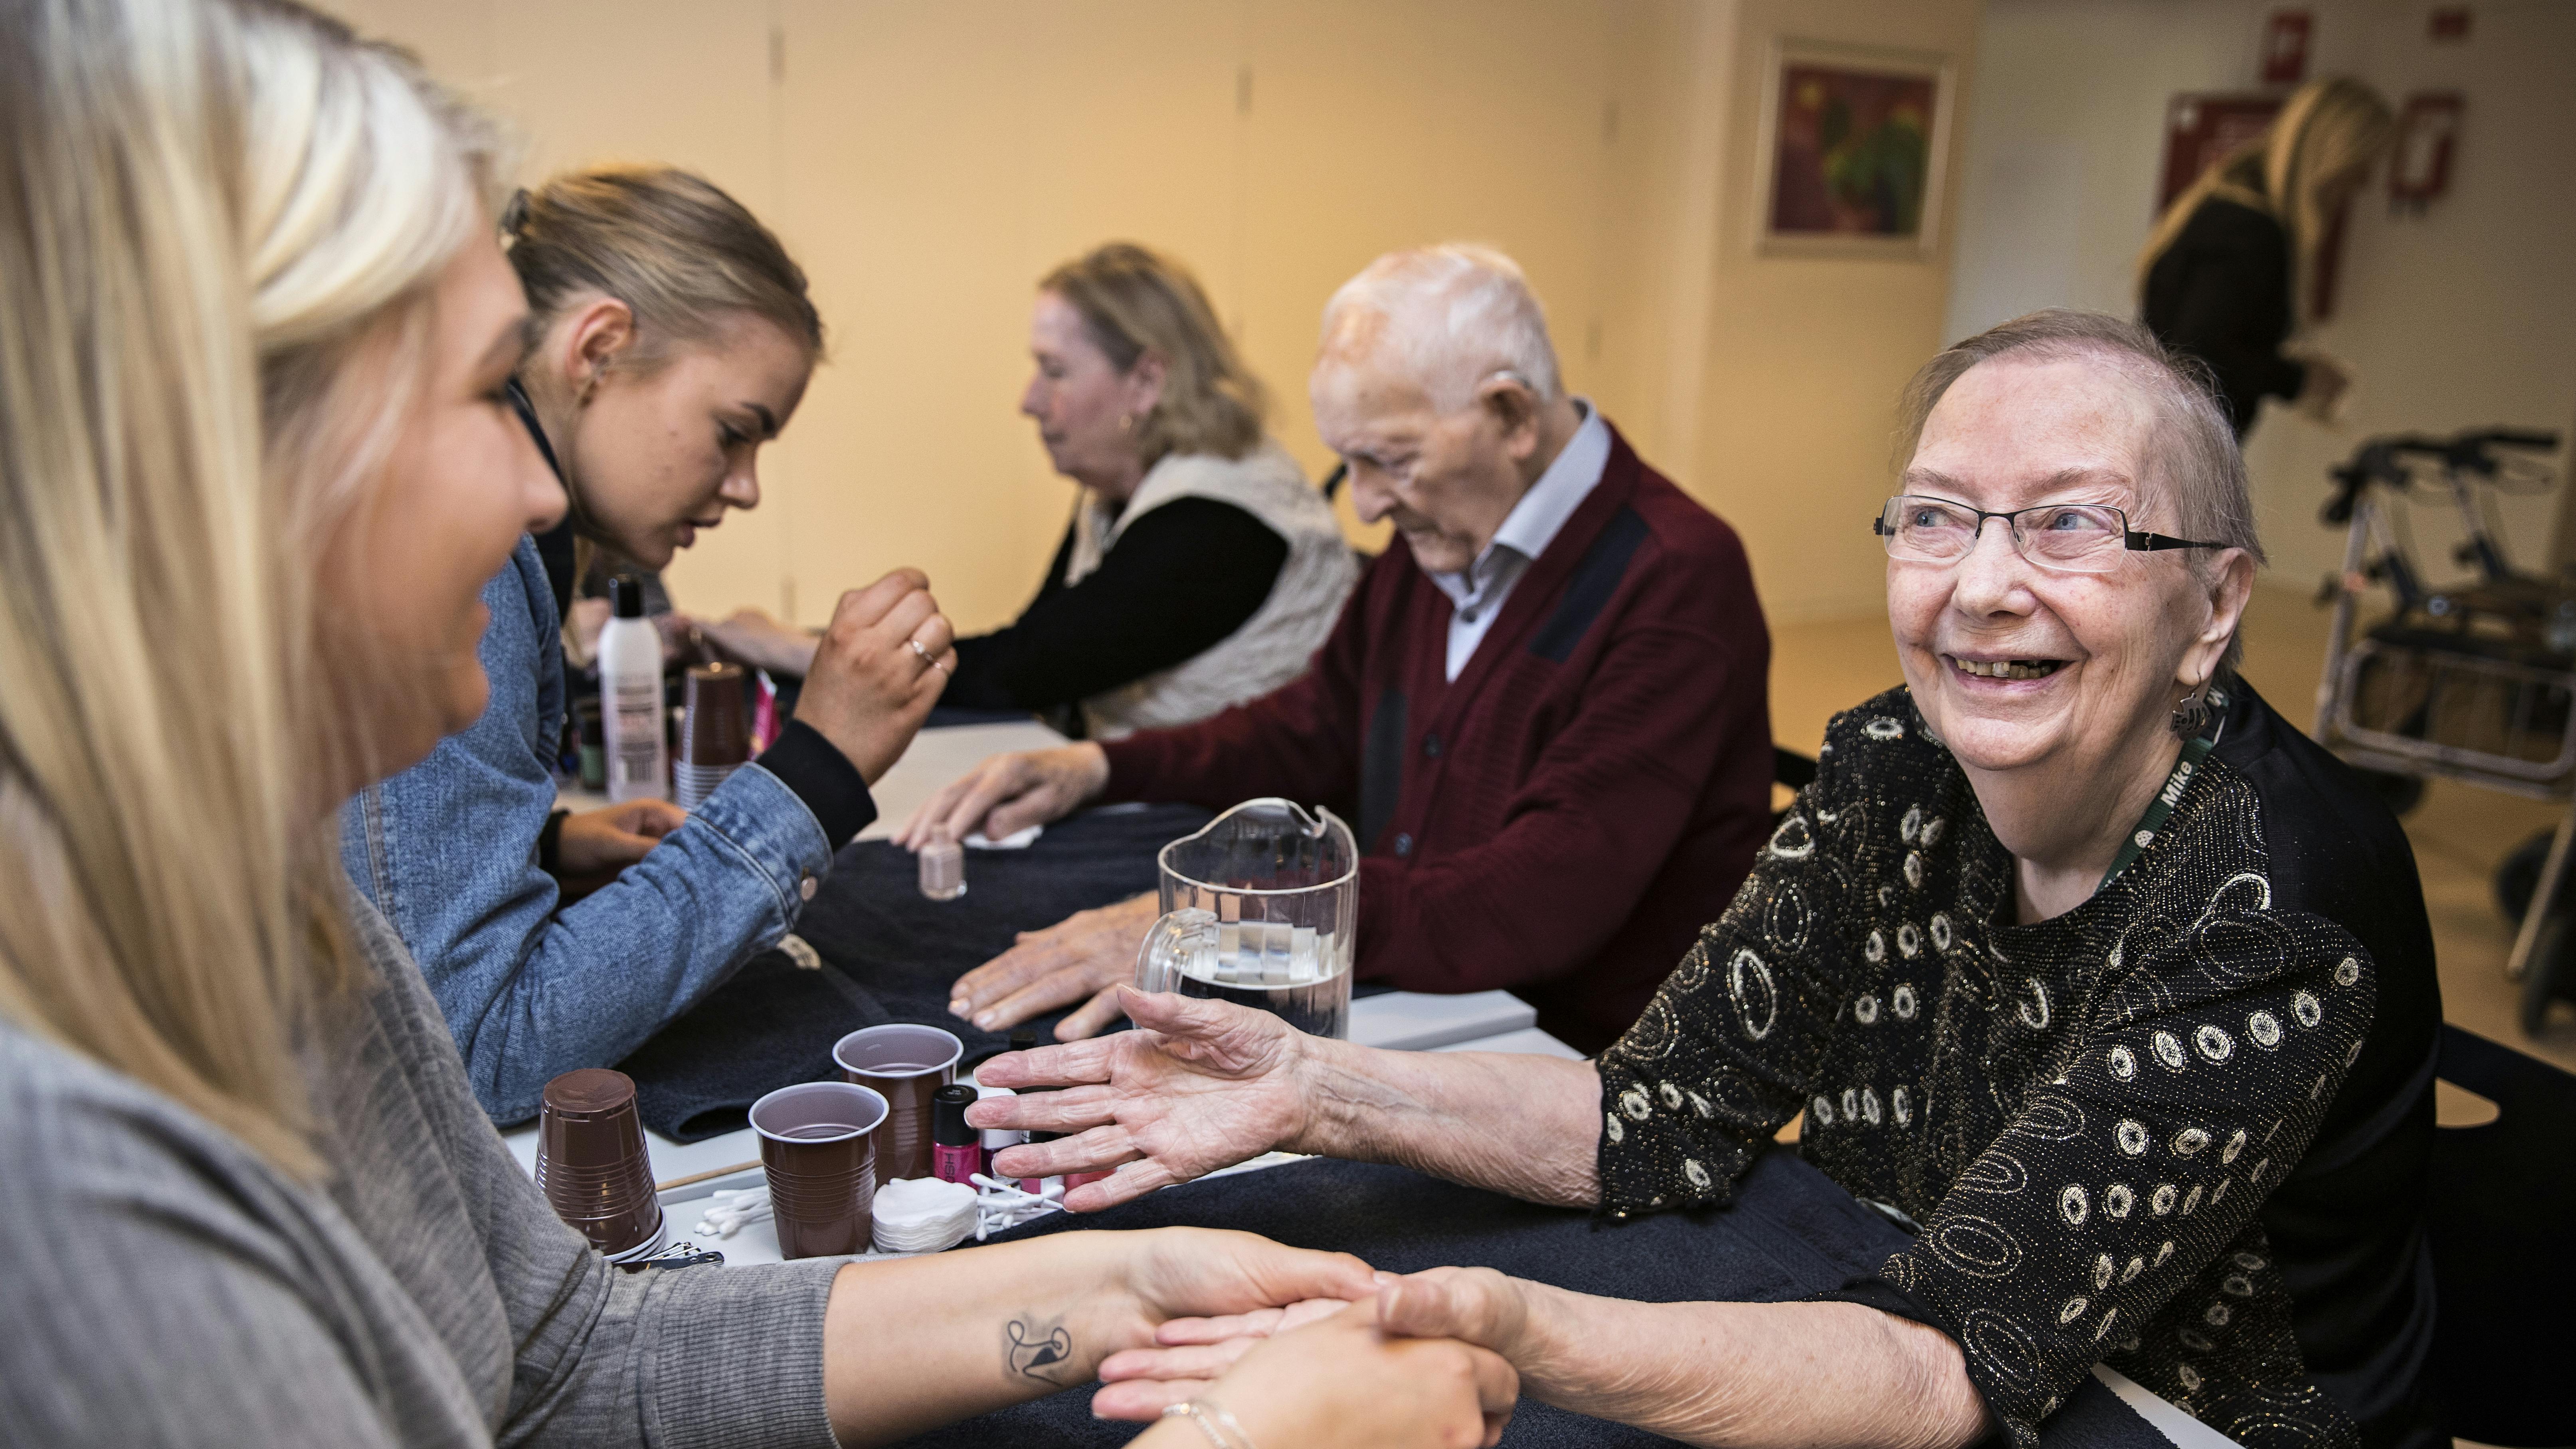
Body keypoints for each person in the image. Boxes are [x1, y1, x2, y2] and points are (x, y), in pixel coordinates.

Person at [0, 6, 1519, 1446]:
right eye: (476, 395)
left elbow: (567, 1357)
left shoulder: (284, 928)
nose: (539, 496)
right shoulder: (69, 1181)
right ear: (216, 453)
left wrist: (1124, 1290)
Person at [975, 311, 2448, 1449]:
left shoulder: (2274, 903)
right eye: (1935, 517)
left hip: (2148, 1411)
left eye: (2066, 522)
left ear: (2214, 605)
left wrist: (1497, 1332)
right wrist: (1309, 1091)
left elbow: (1940, 1369)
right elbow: (1657, 1110)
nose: (1980, 586)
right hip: (1877, 1293)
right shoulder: (1895, 763)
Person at [902, 245, 1773, 1053]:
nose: (1362, 507)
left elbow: (1532, 900)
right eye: (1349, 463)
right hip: (1441, 1001)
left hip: (1584, 1060)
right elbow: (1312, 730)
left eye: (1388, 460)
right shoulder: (1449, 530)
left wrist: (1221, 921)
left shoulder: (1675, 578)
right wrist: (1098, 768)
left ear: (1509, 415)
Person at [338, 162, 960, 1124]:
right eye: (733, 431)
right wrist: (818, 768)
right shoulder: (470, 541)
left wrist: (542, 842)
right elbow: (480, 1051)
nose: (747, 487)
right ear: (598, 349)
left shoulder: (500, 530)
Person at [701, 242, 1358, 740]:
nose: (1029, 401)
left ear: (1146, 383)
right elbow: (1036, 646)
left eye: (1055, 371)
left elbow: (1022, 672)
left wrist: (796, 645)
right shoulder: (1117, 497)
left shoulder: (1217, 524)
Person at [2140, 77, 2393, 437]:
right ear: (2332, 157)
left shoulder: (2224, 205)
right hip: (2182, 449)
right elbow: (2200, 353)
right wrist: (2298, 379)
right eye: (2361, 163)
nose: (2365, 181)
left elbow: (2210, 336)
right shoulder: (2251, 229)